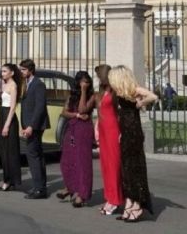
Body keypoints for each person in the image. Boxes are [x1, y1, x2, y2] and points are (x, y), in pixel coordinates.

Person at [108, 65, 157, 223]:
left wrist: (139, 104)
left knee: (134, 167)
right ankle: (130, 201)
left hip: (134, 133)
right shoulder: (120, 92)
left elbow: (153, 96)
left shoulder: (133, 90)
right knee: (126, 168)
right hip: (126, 133)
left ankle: (137, 204)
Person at [57, 71, 96, 207]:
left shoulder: (92, 96)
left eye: (87, 81)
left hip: (84, 130)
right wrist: (76, 115)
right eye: (82, 81)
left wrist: (84, 91)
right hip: (72, 129)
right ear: (77, 82)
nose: (85, 84)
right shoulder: (72, 95)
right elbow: (64, 112)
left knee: (82, 162)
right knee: (66, 161)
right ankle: (70, 187)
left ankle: (82, 194)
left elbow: (83, 108)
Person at [94, 64, 124, 216]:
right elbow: (100, 112)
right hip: (104, 131)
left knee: (114, 166)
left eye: (99, 75)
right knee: (105, 166)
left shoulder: (115, 92)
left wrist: (122, 131)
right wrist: (97, 127)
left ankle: (115, 200)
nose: (98, 78)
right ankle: (109, 198)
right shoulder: (102, 92)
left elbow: (121, 112)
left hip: (113, 131)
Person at [19, 58, 49, 199]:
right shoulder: (26, 83)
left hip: (35, 125)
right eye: (21, 69)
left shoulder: (38, 84)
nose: (22, 72)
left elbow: (39, 107)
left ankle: (39, 189)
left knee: (33, 155)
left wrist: (31, 126)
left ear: (31, 70)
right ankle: (40, 186)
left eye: (24, 69)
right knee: (36, 155)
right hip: (29, 124)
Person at [0, 63, 22, 191]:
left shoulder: (13, 86)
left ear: (12, 73)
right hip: (2, 115)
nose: (3, 74)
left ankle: (12, 180)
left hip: (9, 119)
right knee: (3, 151)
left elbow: (12, 108)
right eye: (2, 71)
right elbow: (1, 104)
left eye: (5, 71)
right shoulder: (3, 84)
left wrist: (6, 125)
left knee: (10, 151)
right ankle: (7, 179)